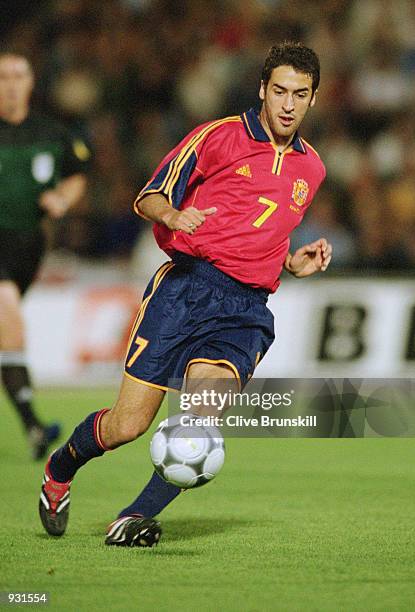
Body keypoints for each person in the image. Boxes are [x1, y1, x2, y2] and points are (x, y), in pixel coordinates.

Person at [39, 41, 332, 546]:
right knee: (127, 426)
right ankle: (60, 468)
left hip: (245, 310)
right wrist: (172, 215)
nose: (287, 105)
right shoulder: (218, 137)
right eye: (279, 91)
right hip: (186, 290)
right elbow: (149, 195)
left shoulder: (312, 169)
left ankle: (133, 517)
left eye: (299, 95)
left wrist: (289, 261)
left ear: (313, 99)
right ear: (262, 90)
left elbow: (262, 227)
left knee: (200, 420)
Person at [0, 53, 90, 459]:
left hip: (28, 247)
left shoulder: (51, 133)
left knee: (6, 332)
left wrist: (62, 199)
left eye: (19, 75)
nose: (11, 83)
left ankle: (33, 426)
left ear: (32, 82)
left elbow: (76, 175)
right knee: (8, 319)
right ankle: (35, 425)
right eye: (3, 77)